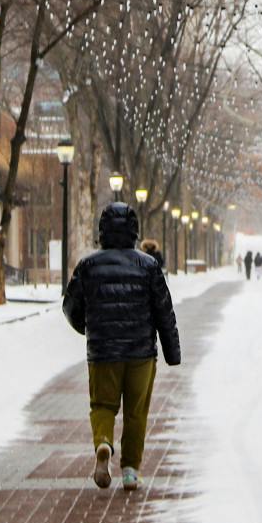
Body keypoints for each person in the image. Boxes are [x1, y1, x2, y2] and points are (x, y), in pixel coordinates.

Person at [63, 202, 181, 491]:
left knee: (103, 405)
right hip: (141, 353)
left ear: (102, 230)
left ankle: (103, 442)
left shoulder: (88, 265)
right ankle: (130, 469)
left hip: (103, 352)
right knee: (136, 412)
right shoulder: (149, 265)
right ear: (134, 230)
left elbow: (70, 307)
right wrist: (172, 351)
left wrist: (89, 329)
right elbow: (164, 310)